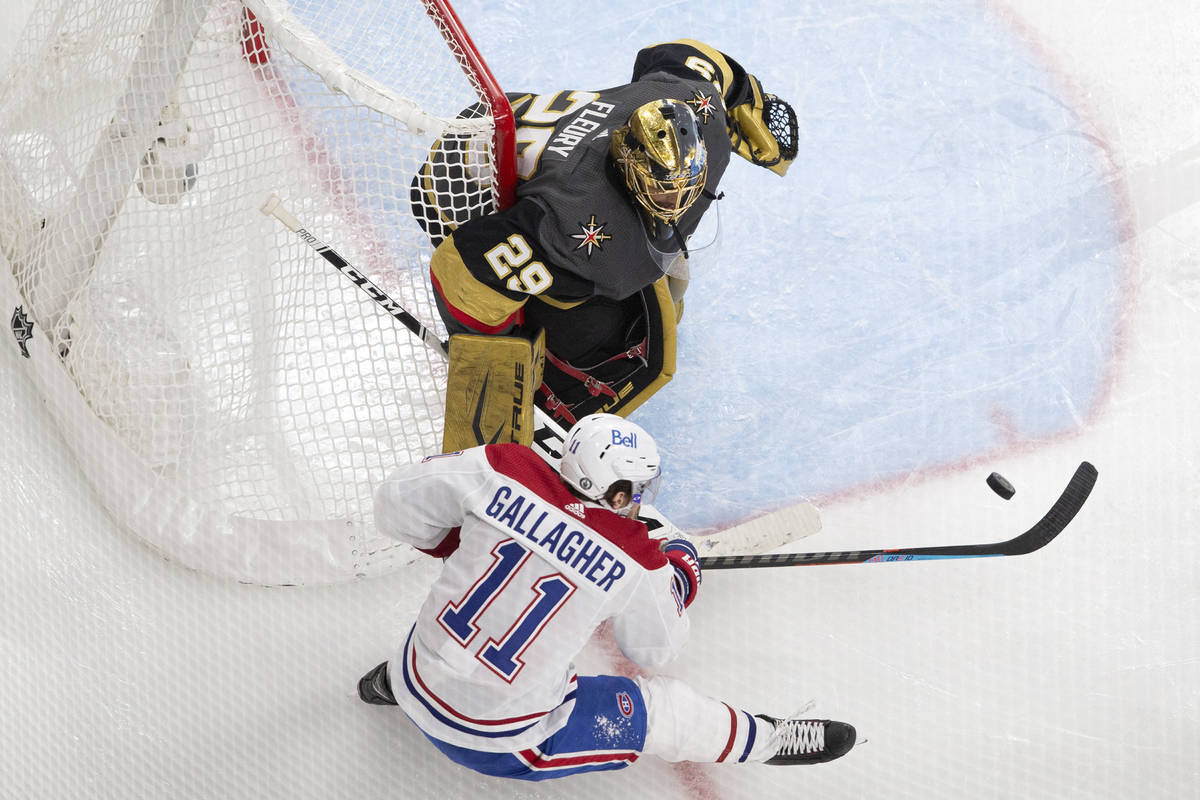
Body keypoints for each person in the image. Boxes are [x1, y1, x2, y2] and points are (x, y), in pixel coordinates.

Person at [358, 413, 855, 781]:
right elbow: (655, 649)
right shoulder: (638, 559)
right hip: (499, 742)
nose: (640, 501)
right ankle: (767, 739)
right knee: (660, 710)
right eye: (637, 490)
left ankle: (387, 686)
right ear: (617, 494)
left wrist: (466, 543)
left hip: (412, 673)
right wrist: (680, 576)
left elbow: (393, 507)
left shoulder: (502, 465)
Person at [412, 40, 798, 427]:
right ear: (629, 162)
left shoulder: (701, 109)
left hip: (523, 134)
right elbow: (460, 273)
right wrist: (498, 361)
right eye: (664, 191)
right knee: (559, 305)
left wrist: (743, 94)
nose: (677, 202)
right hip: (455, 183)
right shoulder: (568, 227)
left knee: (625, 267)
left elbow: (685, 55)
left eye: (688, 187)